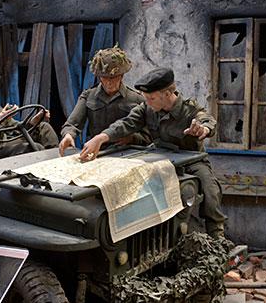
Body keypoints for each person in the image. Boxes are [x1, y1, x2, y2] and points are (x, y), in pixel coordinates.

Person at [79, 68, 227, 238]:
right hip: (157, 160)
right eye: (146, 98)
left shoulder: (189, 109)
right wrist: (101, 138)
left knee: (210, 191)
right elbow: (126, 123)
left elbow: (207, 120)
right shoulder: (147, 108)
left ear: (167, 94)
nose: (147, 102)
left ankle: (217, 235)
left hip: (191, 162)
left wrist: (203, 129)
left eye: (151, 98)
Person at [59, 46, 150, 156]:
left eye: (113, 77)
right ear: (99, 77)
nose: (109, 82)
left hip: (126, 153)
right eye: (105, 78)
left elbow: (149, 135)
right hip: (96, 152)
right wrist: (68, 135)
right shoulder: (88, 96)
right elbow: (72, 124)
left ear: (121, 76)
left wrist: (132, 138)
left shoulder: (137, 99)